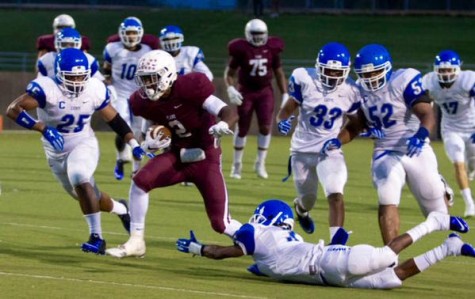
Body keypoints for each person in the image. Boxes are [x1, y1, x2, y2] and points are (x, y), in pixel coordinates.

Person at [5, 48, 147, 254]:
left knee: (80, 177)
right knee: (86, 195)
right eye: (73, 76)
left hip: (83, 142)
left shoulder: (95, 89)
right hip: (54, 150)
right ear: (60, 74)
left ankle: (96, 237)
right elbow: (13, 109)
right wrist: (42, 127)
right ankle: (122, 209)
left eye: (82, 75)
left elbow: (114, 118)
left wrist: (133, 142)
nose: (79, 80)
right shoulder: (48, 88)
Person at [105, 50, 242, 258]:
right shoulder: (142, 101)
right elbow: (153, 122)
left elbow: (229, 111)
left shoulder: (190, 87)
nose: (148, 86)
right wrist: (149, 142)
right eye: (144, 80)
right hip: (178, 155)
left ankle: (258, 241)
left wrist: (223, 124)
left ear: (168, 75)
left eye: (152, 79)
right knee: (141, 181)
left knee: (220, 223)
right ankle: (136, 241)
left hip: (205, 157)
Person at [176, 199, 474, 289]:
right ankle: (448, 248)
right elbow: (270, 264)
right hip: (327, 275)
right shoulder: (277, 243)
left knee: (386, 257)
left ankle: (435, 222)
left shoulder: (256, 232)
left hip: (327, 263)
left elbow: (223, 253)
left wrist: (197, 249)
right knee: (391, 280)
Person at [321, 44, 454, 244]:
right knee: (387, 194)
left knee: (439, 216)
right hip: (384, 150)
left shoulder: (404, 79)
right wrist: (337, 141)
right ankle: (390, 258)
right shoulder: (357, 90)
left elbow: (427, 113)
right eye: (364, 75)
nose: (370, 79)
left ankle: (440, 184)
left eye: (375, 73)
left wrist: (421, 133)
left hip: (413, 145)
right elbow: (356, 126)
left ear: (387, 68)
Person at [276, 42, 360, 238]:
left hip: (329, 151)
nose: (332, 76)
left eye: (336, 72)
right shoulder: (304, 79)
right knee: (308, 199)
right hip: (301, 151)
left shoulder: (351, 90)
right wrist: (281, 120)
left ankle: (336, 243)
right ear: (318, 67)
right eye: (328, 70)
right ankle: (301, 210)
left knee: (335, 193)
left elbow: (356, 125)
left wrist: (339, 140)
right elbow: (288, 108)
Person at [225, 18, 288, 180]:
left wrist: (285, 93)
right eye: (255, 34)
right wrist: (230, 88)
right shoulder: (241, 49)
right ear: (248, 34)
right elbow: (229, 73)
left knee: (266, 127)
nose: (259, 37)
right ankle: (237, 165)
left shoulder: (272, 49)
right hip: (246, 91)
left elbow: (279, 73)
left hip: (265, 91)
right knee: (243, 128)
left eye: (261, 34)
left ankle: (260, 163)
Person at [422, 50, 475, 217]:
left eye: (449, 70)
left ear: (458, 69)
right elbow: (421, 103)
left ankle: (472, 169)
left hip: (472, 127)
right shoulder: (430, 81)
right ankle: (470, 204)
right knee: (458, 163)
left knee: (472, 163)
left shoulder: (467, 80)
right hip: (451, 129)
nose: (445, 74)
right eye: (442, 70)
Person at [159, 24, 214, 187]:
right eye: (167, 40)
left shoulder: (190, 53)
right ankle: (171, 167)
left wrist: (191, 87)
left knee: (192, 136)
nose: (171, 43)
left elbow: (207, 74)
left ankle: (190, 169)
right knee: (166, 136)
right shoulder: (159, 57)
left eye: (174, 39)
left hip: (187, 101)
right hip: (165, 101)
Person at [103, 16, 153, 181]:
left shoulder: (147, 50)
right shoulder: (112, 48)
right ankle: (120, 158)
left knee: (138, 131)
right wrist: (108, 84)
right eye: (128, 33)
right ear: (122, 33)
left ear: (139, 34)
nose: (131, 36)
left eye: (133, 33)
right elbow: (107, 71)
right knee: (122, 125)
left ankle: (136, 169)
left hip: (140, 94)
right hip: (120, 93)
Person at [37, 28, 103, 81]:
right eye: (64, 44)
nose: (68, 47)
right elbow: (41, 82)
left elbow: (98, 82)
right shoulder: (47, 59)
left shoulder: (88, 59)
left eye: (71, 44)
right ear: (56, 44)